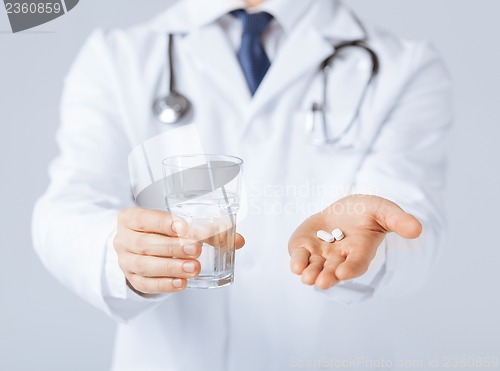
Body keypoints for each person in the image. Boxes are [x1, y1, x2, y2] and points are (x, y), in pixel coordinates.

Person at [32, 0, 452, 369]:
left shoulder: (404, 66)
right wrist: (122, 252)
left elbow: (411, 228)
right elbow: (69, 204)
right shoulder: (118, 57)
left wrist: (372, 248)